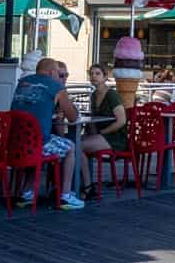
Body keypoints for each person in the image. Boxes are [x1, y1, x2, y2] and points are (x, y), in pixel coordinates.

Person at [8, 57, 84, 209]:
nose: (60, 77)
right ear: (52, 72)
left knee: (36, 147)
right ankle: (66, 196)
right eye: (59, 73)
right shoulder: (56, 86)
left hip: (14, 143)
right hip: (38, 144)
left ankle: (27, 193)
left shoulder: (22, 83)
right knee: (70, 147)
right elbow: (73, 117)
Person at [80, 62, 128, 200]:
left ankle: (88, 186)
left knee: (77, 146)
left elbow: (121, 121)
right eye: (91, 74)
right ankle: (82, 184)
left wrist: (102, 133)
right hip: (102, 135)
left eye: (97, 74)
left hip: (115, 138)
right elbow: (94, 118)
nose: (94, 76)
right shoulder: (94, 95)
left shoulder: (112, 95)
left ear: (105, 77)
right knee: (74, 143)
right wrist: (92, 133)